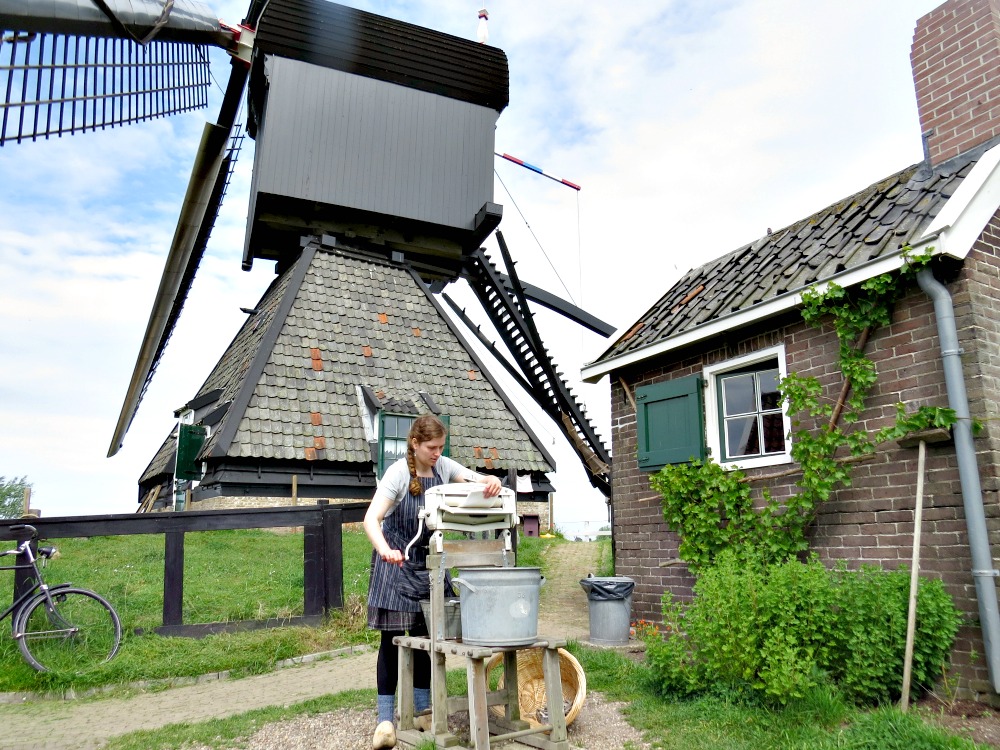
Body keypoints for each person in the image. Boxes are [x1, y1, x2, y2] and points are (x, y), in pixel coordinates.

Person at [363, 414, 502, 749]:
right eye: (431, 447)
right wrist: (385, 550)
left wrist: (489, 480)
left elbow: (470, 478)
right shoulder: (398, 473)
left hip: (429, 565)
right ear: (415, 444)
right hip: (395, 564)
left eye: (441, 446)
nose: (437, 452)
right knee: (392, 643)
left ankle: (424, 712)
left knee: (429, 639)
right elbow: (371, 518)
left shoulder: (441, 466)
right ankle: (385, 721)